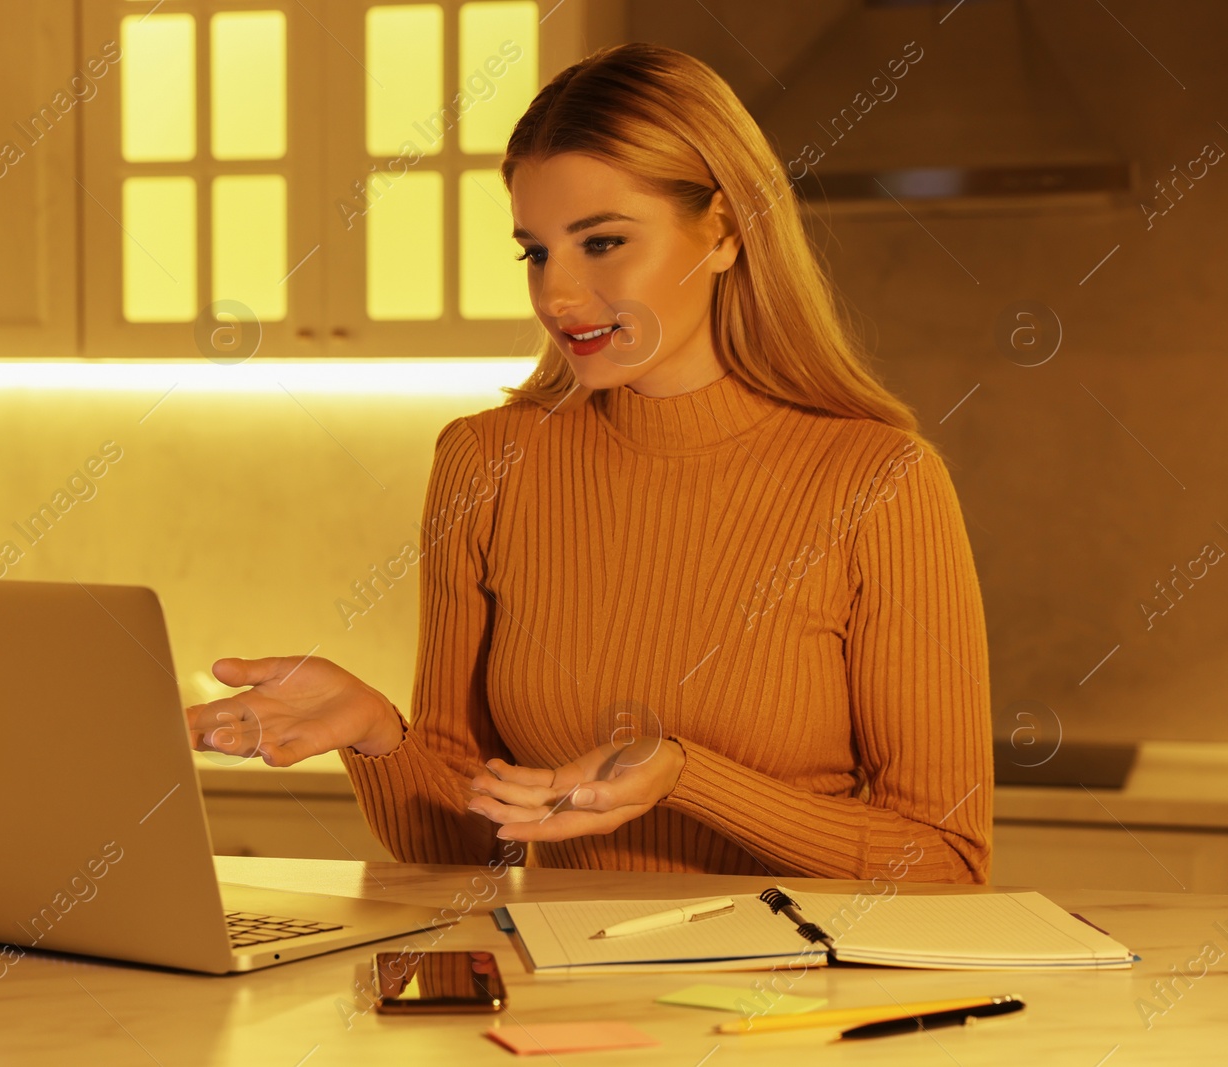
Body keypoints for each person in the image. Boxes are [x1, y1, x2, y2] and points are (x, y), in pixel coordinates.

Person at [187, 43, 991, 884]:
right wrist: (379, 735)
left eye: (602, 242)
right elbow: (464, 845)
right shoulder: (486, 462)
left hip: (777, 1003)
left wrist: (686, 775)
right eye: (534, 252)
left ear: (721, 232)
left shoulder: (879, 480)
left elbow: (948, 864)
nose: (557, 295)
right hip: (554, 994)